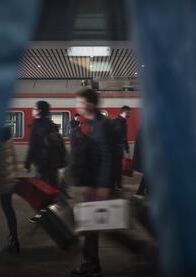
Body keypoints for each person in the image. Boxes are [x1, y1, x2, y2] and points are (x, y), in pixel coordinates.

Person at [69, 88, 114, 277]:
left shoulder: (99, 126)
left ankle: (91, 264)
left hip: (95, 183)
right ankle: (90, 262)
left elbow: (106, 156)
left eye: (80, 102)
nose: (77, 105)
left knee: (91, 226)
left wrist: (104, 185)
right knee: (90, 225)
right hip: (87, 183)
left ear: (91, 104)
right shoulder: (85, 124)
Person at [24, 100, 59, 187]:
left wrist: (27, 164)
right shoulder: (51, 124)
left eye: (35, 108)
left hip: (41, 161)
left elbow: (32, 145)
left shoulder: (36, 124)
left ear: (39, 111)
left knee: (41, 186)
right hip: (53, 161)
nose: (33, 110)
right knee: (52, 185)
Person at [112, 105, 131, 190]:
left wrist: (127, 149)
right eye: (128, 112)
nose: (129, 114)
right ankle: (115, 185)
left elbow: (124, 137)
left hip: (118, 148)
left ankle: (118, 185)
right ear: (123, 112)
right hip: (113, 149)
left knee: (118, 167)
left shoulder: (123, 123)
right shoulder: (116, 122)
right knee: (115, 168)